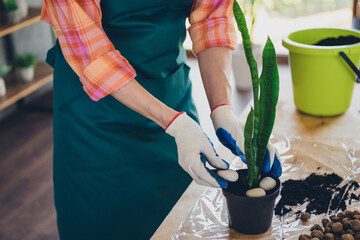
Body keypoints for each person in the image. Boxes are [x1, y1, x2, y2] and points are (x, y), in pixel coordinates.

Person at [41, 0, 282, 239]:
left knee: (177, 221)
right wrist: (173, 123)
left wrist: (222, 109)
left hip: (170, 94)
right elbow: (90, 51)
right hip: (95, 116)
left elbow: (212, 19)